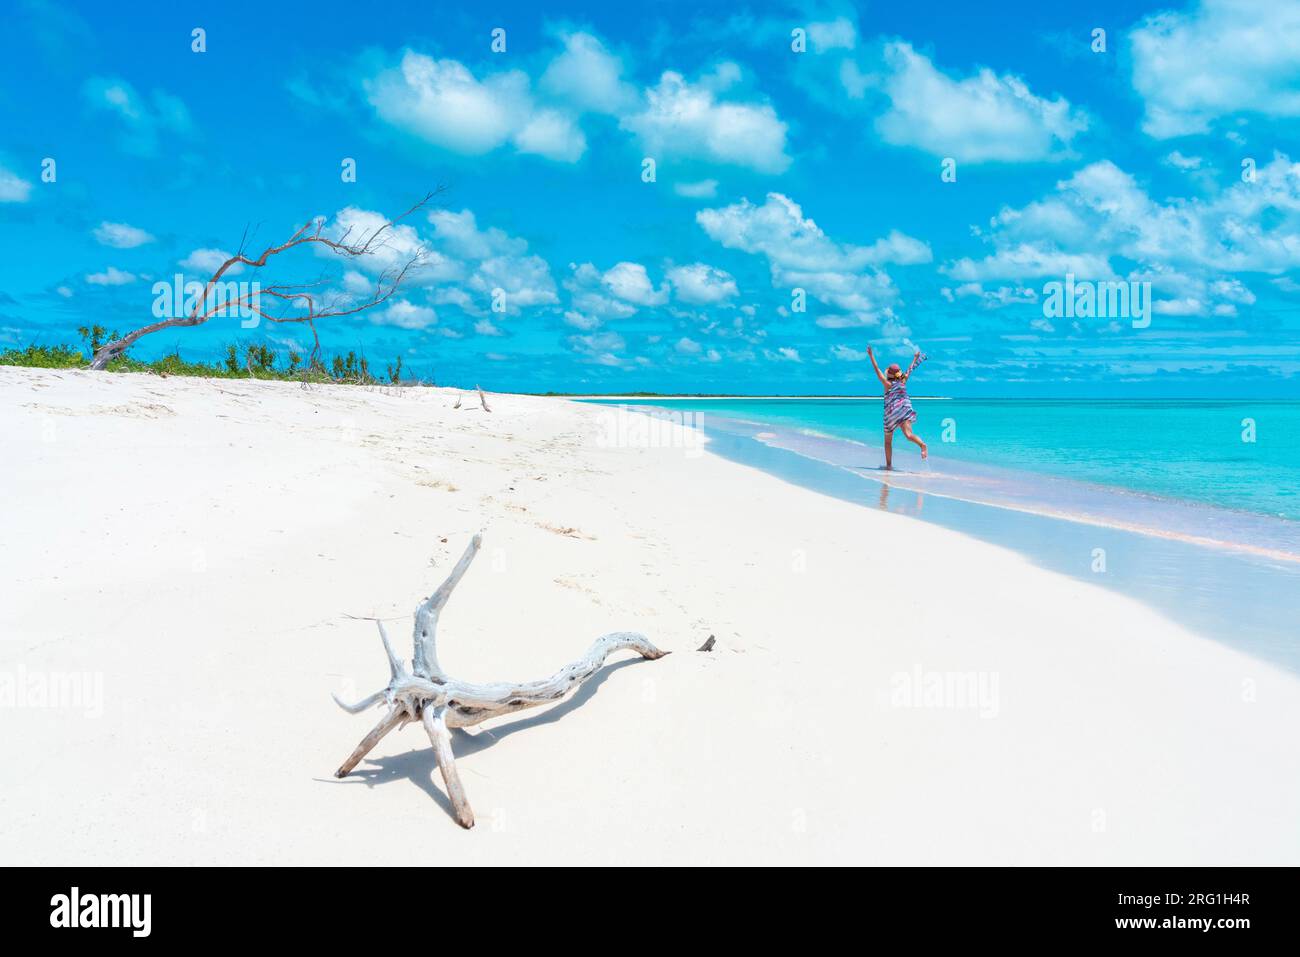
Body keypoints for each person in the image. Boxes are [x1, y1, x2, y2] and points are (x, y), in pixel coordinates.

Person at [867, 346, 927, 470]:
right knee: (909, 435)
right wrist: (915, 358)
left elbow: (877, 369)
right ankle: (922, 445)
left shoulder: (887, 384)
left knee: (888, 442)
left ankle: (889, 466)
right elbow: (910, 369)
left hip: (891, 414)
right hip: (904, 410)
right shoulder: (903, 380)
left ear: (889, 374)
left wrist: (871, 355)